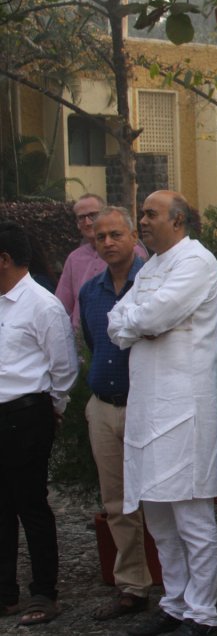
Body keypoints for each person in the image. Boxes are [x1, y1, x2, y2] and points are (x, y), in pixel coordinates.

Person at [107, 191, 217, 636]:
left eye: (151, 214)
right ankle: (174, 603)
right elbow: (117, 321)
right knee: (157, 516)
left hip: (183, 408)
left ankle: (202, 613)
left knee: (191, 516)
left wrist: (141, 324)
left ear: (177, 220)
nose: (143, 220)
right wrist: (140, 325)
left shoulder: (196, 261)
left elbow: (153, 317)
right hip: (146, 409)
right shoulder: (151, 266)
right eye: (142, 213)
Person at [0, 221, 77, 627]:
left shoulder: (42, 304)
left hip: (27, 413)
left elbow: (64, 367)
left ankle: (45, 591)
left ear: (4, 259)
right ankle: (5, 593)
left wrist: (52, 408)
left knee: (31, 504)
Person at [78, 207, 152, 621]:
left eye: (115, 234)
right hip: (104, 407)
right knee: (116, 502)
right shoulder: (91, 291)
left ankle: (177, 585)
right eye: (100, 236)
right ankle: (132, 585)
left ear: (133, 237)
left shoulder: (153, 282)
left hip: (147, 406)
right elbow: (94, 343)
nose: (107, 242)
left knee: (160, 498)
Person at [55, 193, 146, 327]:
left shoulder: (133, 252)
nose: (87, 222)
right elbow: (61, 307)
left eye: (93, 215)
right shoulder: (74, 258)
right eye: (81, 218)